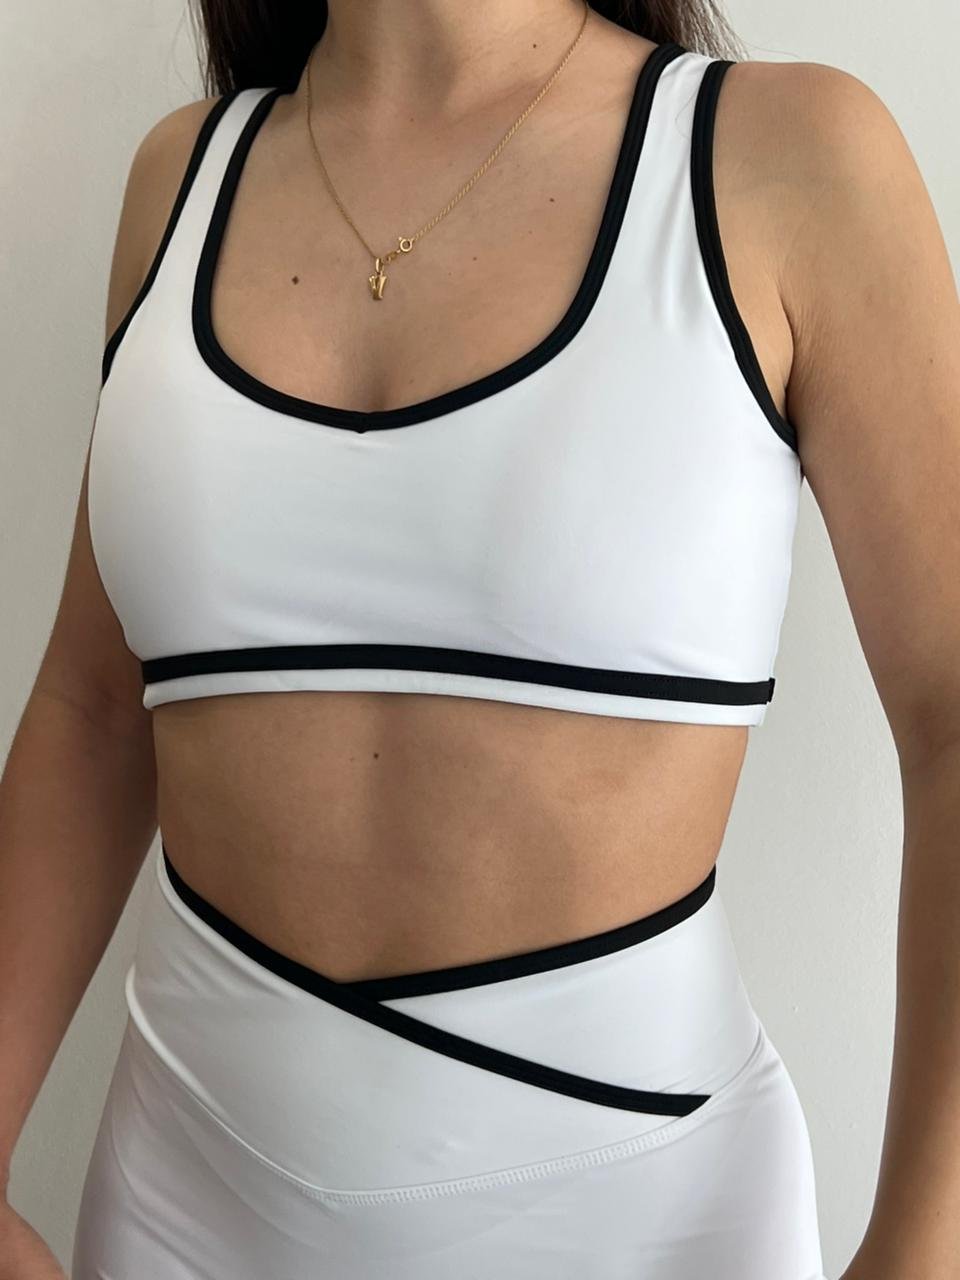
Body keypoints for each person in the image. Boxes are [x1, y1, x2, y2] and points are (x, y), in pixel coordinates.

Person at [3, 2, 960, 1277]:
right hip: (181, 1201)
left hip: (641, 1220)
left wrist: (924, 1249)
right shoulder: (179, 178)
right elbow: (91, 708)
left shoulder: (789, 156)